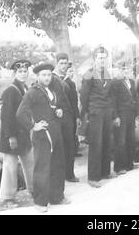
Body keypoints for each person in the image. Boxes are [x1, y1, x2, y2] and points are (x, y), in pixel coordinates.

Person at [16, 63, 70, 213]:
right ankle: (40, 202)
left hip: (56, 132)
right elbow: (21, 113)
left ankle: (57, 197)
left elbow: (53, 107)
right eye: (44, 75)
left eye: (49, 75)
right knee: (42, 168)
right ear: (38, 77)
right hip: (42, 136)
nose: (47, 78)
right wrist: (33, 126)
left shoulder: (52, 89)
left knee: (58, 165)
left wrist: (58, 112)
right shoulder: (32, 92)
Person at [80, 46, 120, 188]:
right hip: (95, 112)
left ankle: (105, 172)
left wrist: (114, 115)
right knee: (96, 144)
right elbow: (84, 97)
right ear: (94, 59)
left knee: (106, 142)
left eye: (104, 57)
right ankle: (93, 177)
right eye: (100, 57)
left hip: (107, 112)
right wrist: (83, 116)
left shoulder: (107, 73)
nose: (102, 60)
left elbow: (111, 96)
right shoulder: (89, 74)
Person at [0, 60, 33, 209]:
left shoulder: (25, 88)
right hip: (12, 136)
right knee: (10, 167)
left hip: (24, 135)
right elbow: (6, 117)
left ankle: (33, 190)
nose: (23, 74)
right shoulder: (10, 91)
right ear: (14, 73)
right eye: (20, 71)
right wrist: (11, 136)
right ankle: (7, 198)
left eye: (25, 71)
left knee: (30, 164)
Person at [52, 53, 80, 183]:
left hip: (69, 118)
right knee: (58, 147)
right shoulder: (52, 78)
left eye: (65, 63)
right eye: (61, 63)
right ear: (56, 63)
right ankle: (59, 175)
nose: (63, 66)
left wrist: (77, 117)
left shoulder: (70, 81)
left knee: (70, 146)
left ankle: (70, 174)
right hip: (56, 117)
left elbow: (74, 102)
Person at [111, 62, 139, 175]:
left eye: (127, 69)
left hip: (131, 114)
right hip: (121, 114)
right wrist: (115, 116)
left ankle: (129, 163)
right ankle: (119, 167)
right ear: (118, 70)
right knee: (120, 140)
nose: (125, 71)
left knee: (130, 139)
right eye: (123, 69)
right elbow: (113, 101)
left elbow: (135, 98)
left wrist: (138, 113)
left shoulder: (131, 82)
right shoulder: (115, 83)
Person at [64, 63, 82, 157]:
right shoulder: (67, 83)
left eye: (72, 71)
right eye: (69, 71)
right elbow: (72, 101)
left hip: (73, 111)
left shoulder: (71, 82)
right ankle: (71, 152)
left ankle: (74, 151)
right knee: (70, 133)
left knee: (73, 132)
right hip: (69, 112)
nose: (71, 73)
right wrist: (77, 115)